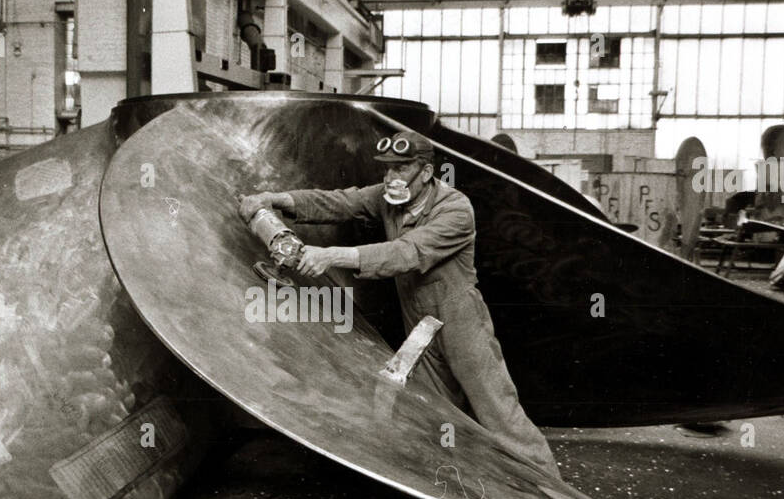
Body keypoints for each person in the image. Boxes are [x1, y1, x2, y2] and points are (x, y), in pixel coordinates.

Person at [238, 130, 561, 479]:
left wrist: (330, 255)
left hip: (459, 317)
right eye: (387, 169)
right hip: (420, 322)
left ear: (426, 172)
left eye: (402, 169)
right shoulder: (389, 197)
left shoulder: (455, 209)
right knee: (436, 413)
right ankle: (461, 491)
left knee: (497, 410)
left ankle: (555, 497)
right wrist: (276, 198)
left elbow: (405, 253)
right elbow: (339, 202)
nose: (391, 178)